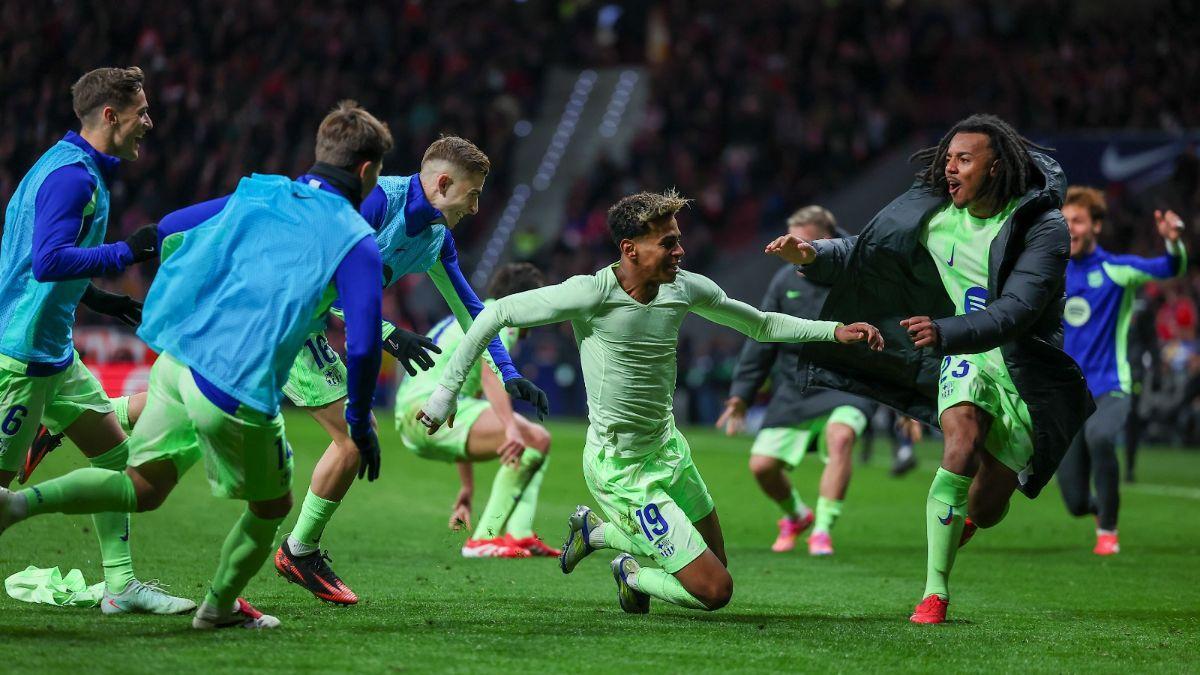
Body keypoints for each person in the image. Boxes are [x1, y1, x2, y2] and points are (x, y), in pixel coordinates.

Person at [1, 100, 395, 629]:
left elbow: (172, 228)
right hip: (236, 390)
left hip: (177, 360)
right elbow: (366, 344)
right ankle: (217, 607)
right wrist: (360, 425)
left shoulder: (263, 191)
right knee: (271, 507)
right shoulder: (357, 241)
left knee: (140, 484)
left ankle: (18, 505)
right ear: (368, 172)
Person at [417, 190, 883, 614]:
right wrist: (445, 394)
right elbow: (495, 312)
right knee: (716, 591)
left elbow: (760, 324)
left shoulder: (685, 287)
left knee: (715, 566)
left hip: (669, 451)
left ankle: (596, 534)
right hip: (621, 469)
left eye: (678, 240)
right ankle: (633, 573)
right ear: (630, 249)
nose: (679, 251)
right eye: (668, 243)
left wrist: (834, 332)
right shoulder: (591, 293)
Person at [766, 114, 1092, 624]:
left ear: (996, 166)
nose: (950, 169)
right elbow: (867, 250)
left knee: (985, 508)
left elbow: (1019, 310)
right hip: (963, 355)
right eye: (947, 159)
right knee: (959, 445)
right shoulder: (937, 217)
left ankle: (966, 517)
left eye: (964, 159)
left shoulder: (1042, 227)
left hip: (1024, 369)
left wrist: (946, 330)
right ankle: (934, 594)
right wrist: (812, 253)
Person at [272, 137, 547, 604]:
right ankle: (294, 552)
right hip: (280, 310)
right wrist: (389, 334)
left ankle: (295, 551)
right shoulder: (379, 200)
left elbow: (472, 311)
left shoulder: (438, 240)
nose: (477, 207)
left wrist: (506, 371)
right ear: (443, 183)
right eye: (473, 193)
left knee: (191, 412)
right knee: (317, 445)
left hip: (303, 323)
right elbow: (329, 271)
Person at [0, 66, 193, 614]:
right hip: (23, 356)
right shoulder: (74, 177)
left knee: (117, 460)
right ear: (111, 116)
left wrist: (99, 299)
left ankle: (120, 586)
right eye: (142, 113)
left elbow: (34, 260)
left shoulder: (65, 165)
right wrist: (127, 252)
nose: (149, 123)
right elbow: (46, 261)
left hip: (54, 352)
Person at [717, 205, 875, 556]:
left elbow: (889, 328)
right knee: (762, 466)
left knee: (841, 436)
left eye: (799, 244)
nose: (792, 252)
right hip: (795, 385)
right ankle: (797, 516)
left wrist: (906, 399)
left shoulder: (860, 273)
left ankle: (821, 529)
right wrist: (741, 394)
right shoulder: (784, 280)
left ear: (826, 240)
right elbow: (763, 336)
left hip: (845, 383)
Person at [395, 263, 558, 558]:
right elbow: (489, 373)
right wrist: (510, 426)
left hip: (416, 416)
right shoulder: (502, 318)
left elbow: (465, 406)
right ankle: (484, 538)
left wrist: (467, 488)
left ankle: (518, 533)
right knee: (533, 437)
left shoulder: (473, 314)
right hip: (425, 409)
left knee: (536, 441)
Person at [1059, 187, 1186, 555]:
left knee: (1100, 437)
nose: (1070, 229)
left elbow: (1169, 268)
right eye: (1064, 221)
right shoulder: (1052, 274)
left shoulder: (1116, 270)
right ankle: (1101, 508)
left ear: (1096, 225)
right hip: (1068, 398)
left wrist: (1173, 245)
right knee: (1075, 502)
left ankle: (1108, 532)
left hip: (1110, 386)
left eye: (1078, 221)